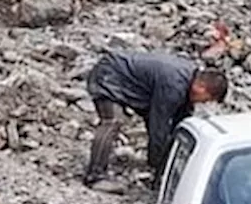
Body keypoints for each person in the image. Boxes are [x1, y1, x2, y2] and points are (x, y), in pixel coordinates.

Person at [82, 50, 228, 186]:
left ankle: (158, 164)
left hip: (131, 83)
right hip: (110, 75)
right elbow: (159, 125)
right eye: (207, 99)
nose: (203, 103)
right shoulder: (174, 86)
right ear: (201, 88)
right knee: (112, 121)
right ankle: (95, 177)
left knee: (155, 122)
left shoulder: (188, 79)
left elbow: (181, 121)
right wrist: (158, 166)